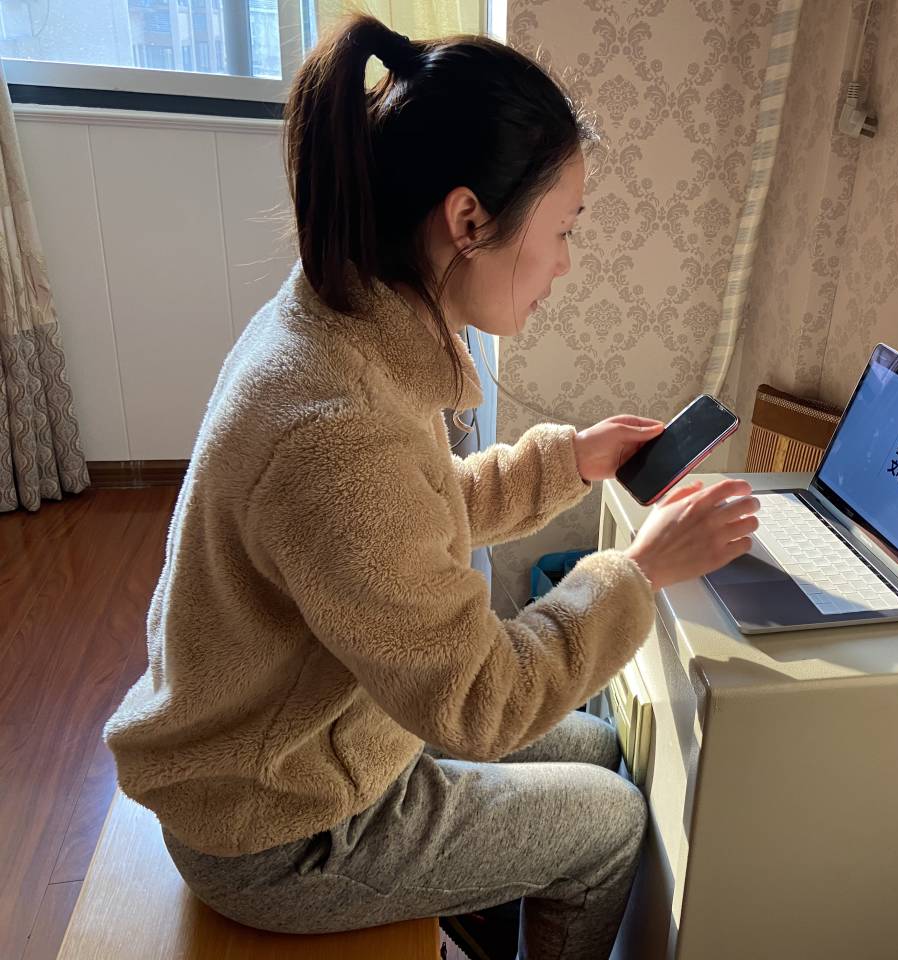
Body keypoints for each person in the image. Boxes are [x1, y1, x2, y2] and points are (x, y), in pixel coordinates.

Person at [102, 13, 760, 960]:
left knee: (600, 746)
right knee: (611, 820)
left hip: (322, 733)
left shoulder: (343, 319)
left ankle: (473, 917)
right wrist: (637, 571)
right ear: (468, 220)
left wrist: (570, 459)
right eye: (563, 230)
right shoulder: (336, 432)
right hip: (278, 826)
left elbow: (411, 513)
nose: (565, 264)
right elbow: (482, 702)